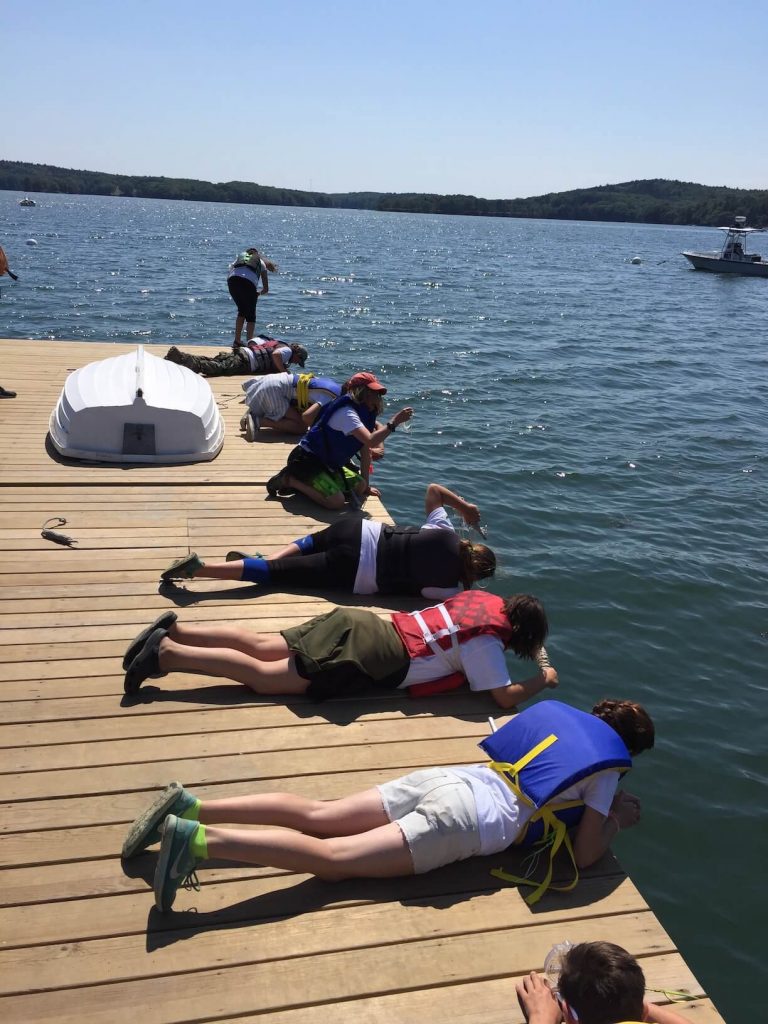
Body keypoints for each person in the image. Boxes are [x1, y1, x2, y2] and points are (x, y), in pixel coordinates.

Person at [121, 698, 655, 912]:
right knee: (333, 863)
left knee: (319, 815)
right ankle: (196, 842)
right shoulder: (607, 769)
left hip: (450, 778)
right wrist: (614, 821)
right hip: (468, 821)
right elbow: (584, 856)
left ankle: (194, 805)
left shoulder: (557, 714)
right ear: (625, 747)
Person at [122, 589, 556, 706]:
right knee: (265, 678)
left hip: (363, 622)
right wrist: (542, 679)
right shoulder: (486, 644)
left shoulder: (481, 602)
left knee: (261, 645)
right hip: (371, 656)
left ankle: (178, 630)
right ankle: (166, 655)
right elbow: (500, 697)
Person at [160, 481, 497, 601]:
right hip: (353, 571)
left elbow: (433, 490)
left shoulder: (447, 533)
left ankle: (267, 556)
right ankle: (201, 570)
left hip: (357, 530)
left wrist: (465, 507)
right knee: (275, 574)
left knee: (309, 541)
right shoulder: (451, 589)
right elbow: (425, 596)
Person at [266, 371, 413, 510]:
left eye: (379, 393)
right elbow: (370, 441)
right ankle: (289, 479)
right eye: (374, 393)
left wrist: (366, 486)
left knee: (359, 486)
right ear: (361, 393)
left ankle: (311, 486)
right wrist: (394, 422)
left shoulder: (364, 415)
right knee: (336, 502)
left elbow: (365, 450)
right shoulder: (347, 413)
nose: (378, 397)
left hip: (329, 463)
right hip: (306, 460)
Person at [516, 941, 689, 1024]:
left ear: (572, 1018)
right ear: (643, 1015)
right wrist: (630, 1003)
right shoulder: (643, 1012)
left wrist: (541, 1017)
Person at [239, 371, 342, 439]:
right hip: (273, 390)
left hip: (275, 379)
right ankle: (258, 420)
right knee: (301, 427)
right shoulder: (331, 397)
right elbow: (306, 416)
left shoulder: (332, 384)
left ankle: (256, 411)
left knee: (294, 414)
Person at [164, 335, 308, 378]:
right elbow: (276, 356)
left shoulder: (277, 343)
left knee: (215, 361)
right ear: (297, 354)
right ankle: (181, 359)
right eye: (298, 361)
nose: (296, 363)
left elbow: (253, 341)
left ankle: (179, 357)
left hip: (243, 352)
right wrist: (283, 372)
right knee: (217, 367)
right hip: (246, 361)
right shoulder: (287, 351)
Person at [228, 247, 276, 346]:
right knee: (251, 316)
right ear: (257, 254)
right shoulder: (261, 263)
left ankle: (237, 341)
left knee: (242, 310)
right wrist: (257, 294)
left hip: (232, 281)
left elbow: (232, 271)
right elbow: (265, 289)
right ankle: (250, 342)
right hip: (248, 283)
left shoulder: (239, 258)